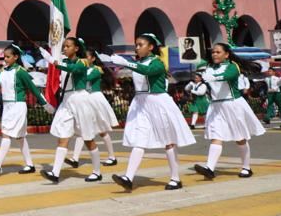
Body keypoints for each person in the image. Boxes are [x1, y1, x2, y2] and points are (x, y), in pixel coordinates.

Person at [108, 33, 196, 191]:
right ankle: (128, 177)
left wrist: (126, 63)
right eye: (136, 45)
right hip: (141, 104)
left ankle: (175, 178)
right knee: (139, 139)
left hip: (158, 103)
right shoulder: (140, 62)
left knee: (168, 141)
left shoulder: (157, 63)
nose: (137, 47)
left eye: (140, 44)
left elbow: (147, 71)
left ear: (151, 47)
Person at [0, 44, 51, 175]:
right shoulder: (2, 71)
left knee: (6, 134)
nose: (5, 59)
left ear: (16, 57)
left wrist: (45, 104)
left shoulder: (21, 72)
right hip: (7, 106)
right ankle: (30, 165)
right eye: (4, 57)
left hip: (18, 106)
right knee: (20, 137)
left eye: (8, 57)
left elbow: (33, 88)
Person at [194, 42, 266, 180]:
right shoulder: (209, 67)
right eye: (213, 52)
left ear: (226, 54)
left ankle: (246, 167)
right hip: (216, 106)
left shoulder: (233, 66)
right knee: (216, 136)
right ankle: (210, 168)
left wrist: (212, 77)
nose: (214, 54)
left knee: (239, 138)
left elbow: (228, 76)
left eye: (218, 52)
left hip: (232, 104)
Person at [39, 38, 103, 183]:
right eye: (64, 46)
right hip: (67, 101)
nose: (65, 49)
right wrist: (50, 56)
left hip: (80, 99)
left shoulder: (83, 62)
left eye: (68, 46)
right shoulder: (65, 62)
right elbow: (62, 65)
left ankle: (97, 171)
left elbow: (73, 69)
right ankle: (55, 173)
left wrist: (52, 60)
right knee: (63, 136)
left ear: (76, 49)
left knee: (88, 138)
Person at [65, 48, 119, 169]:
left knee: (102, 130)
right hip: (86, 99)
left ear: (93, 59)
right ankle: (75, 158)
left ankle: (112, 156)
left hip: (95, 99)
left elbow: (85, 79)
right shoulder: (83, 68)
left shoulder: (96, 69)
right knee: (82, 129)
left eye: (87, 57)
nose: (84, 59)